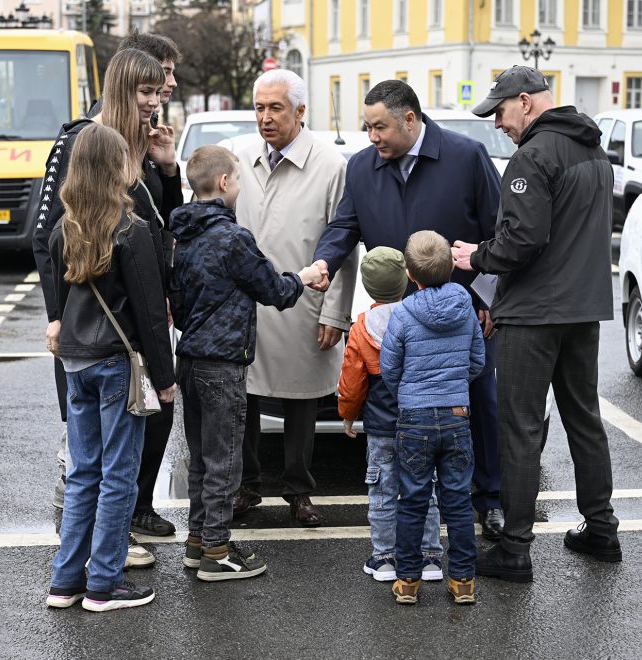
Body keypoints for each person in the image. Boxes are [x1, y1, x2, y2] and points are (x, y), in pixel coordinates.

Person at [310, 79, 506, 541]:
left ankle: (491, 498)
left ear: (410, 119)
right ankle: (413, 510)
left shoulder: (466, 156)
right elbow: (344, 226)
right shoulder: (360, 168)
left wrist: (488, 299)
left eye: (379, 126)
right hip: (399, 320)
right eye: (367, 126)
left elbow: (499, 231)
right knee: (405, 412)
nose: (372, 136)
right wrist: (323, 261)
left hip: (464, 313)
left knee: (481, 402)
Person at [451, 65, 620, 583]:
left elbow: (522, 241)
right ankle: (601, 528)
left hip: (534, 313)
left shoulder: (533, 155)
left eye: (499, 112)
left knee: (519, 429)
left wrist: (474, 257)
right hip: (582, 308)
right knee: (584, 420)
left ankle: (515, 550)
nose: (497, 123)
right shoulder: (593, 149)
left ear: (525, 102)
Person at [33, 48, 180, 569]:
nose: (157, 101)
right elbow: (48, 237)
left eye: (161, 90)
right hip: (104, 334)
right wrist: (57, 316)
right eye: (147, 91)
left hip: (113, 333)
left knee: (101, 456)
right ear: (122, 90)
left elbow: (168, 223)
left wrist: (167, 168)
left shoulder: (140, 144)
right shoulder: (86, 141)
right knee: (98, 457)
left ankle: (80, 566)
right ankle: (103, 568)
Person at [169, 145, 323, 580]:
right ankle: (217, 552)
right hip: (223, 363)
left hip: (191, 358)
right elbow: (273, 289)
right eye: (237, 179)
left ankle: (197, 541)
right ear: (223, 183)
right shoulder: (233, 238)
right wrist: (305, 277)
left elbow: (177, 305)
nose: (239, 186)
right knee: (225, 462)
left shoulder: (182, 236)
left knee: (201, 459)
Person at [233, 69, 357, 527]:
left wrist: (337, 312)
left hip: (304, 303)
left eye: (276, 108)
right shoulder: (239, 155)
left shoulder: (330, 164)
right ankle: (246, 487)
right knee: (241, 397)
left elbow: (344, 245)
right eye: (260, 108)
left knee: (302, 402)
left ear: (301, 112)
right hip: (245, 305)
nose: (265, 118)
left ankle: (299, 491)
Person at [380, 231, 484, 607]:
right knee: (457, 500)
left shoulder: (404, 312)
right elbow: (477, 360)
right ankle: (463, 582)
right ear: (451, 268)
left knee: (412, 500)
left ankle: (407, 581)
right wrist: (454, 385)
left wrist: (410, 393)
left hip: (415, 417)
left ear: (411, 273)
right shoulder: (466, 308)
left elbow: (389, 367)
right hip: (457, 415)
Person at [338, 246, 445, 583]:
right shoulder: (422, 317)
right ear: (406, 280)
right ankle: (429, 557)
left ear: (368, 287)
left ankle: (384, 557)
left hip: (383, 426)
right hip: (422, 420)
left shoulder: (362, 327)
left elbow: (353, 379)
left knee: (383, 492)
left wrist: (348, 413)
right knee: (424, 488)